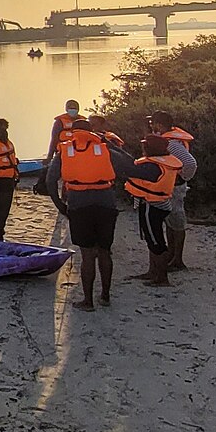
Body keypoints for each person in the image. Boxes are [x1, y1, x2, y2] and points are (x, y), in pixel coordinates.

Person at [49, 118, 132, 311]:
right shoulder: (103, 148)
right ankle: (105, 295)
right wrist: (109, 144)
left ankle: (88, 301)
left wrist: (60, 205)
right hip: (106, 203)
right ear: (92, 131)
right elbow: (128, 163)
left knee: (87, 255)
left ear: (73, 132)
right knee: (104, 251)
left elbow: (51, 179)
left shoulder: (64, 150)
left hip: (79, 205)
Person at [124, 135, 184, 286]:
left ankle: (162, 278)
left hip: (152, 205)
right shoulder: (160, 163)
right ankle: (153, 272)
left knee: (157, 242)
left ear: (151, 148)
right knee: (153, 240)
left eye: (145, 145)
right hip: (157, 203)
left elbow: (129, 170)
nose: (143, 148)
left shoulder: (153, 166)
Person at [146, 112, 198, 270]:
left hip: (175, 187)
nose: (151, 126)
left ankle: (178, 260)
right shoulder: (168, 140)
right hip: (169, 185)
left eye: (153, 123)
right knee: (170, 222)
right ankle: (171, 256)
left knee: (177, 223)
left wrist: (182, 178)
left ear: (160, 125)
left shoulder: (171, 143)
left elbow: (190, 163)